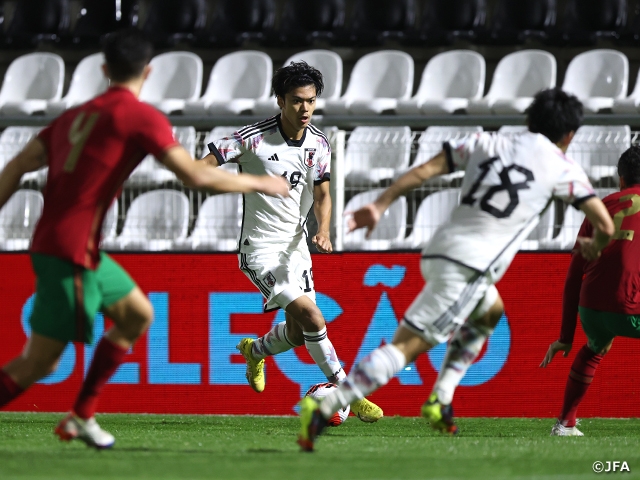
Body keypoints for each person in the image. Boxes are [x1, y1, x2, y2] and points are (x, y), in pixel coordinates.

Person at [0, 28, 289, 449]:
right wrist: (261, 183)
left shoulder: (73, 116)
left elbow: (17, 165)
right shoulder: (139, 116)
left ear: (103, 69)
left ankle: (81, 415)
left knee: (137, 315)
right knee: (38, 363)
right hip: (71, 251)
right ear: (148, 71)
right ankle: (79, 415)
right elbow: (194, 176)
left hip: (72, 246)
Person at [297, 87, 616, 451]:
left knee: (490, 311)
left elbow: (425, 170)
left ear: (529, 120)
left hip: (440, 249)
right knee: (406, 347)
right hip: (471, 266)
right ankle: (325, 407)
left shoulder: (486, 141)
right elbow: (605, 225)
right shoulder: (564, 168)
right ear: (569, 136)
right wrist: (598, 246)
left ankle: (441, 399)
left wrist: (380, 204)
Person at [203, 61, 383, 423]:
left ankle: (254, 351)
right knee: (314, 316)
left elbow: (324, 194)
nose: (305, 109)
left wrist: (324, 230)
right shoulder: (251, 138)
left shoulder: (318, 143)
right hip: (259, 249)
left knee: (301, 334)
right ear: (280, 100)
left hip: (295, 249)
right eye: (297, 101)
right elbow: (202, 167)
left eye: (312, 101)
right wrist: (243, 182)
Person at [541, 145, 640, 436]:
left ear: (621, 179)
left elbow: (574, 274)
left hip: (592, 308)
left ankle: (565, 423)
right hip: (631, 305)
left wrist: (565, 336)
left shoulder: (603, 205)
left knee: (595, 348)